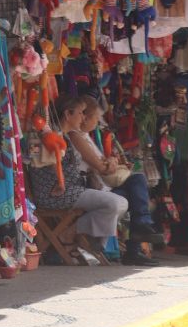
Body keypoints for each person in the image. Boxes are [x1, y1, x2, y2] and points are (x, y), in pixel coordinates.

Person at [28, 96, 129, 263]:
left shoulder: (66, 136)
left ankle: (73, 234)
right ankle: (78, 236)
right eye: (80, 113)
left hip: (73, 189)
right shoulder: (47, 136)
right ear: (68, 114)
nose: (83, 117)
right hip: (56, 193)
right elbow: (38, 162)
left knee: (120, 203)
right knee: (117, 203)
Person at [69, 97, 164, 267]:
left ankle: (138, 235)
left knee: (137, 187)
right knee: (137, 187)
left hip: (99, 186)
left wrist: (111, 162)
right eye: (95, 117)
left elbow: (101, 163)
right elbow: (101, 167)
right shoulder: (75, 137)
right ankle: (135, 245)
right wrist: (111, 163)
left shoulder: (85, 137)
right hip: (89, 187)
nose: (97, 121)